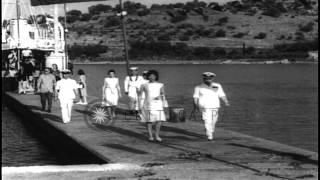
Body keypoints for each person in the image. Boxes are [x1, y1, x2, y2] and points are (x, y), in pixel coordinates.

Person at [193, 72, 230, 141]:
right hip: (204, 106)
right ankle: (209, 135)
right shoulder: (198, 87)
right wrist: (195, 105)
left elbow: (221, 94)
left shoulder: (217, 85)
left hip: (215, 106)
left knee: (214, 120)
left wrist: (226, 101)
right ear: (203, 79)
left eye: (209, 78)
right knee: (207, 120)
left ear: (212, 79)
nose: (208, 80)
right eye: (206, 78)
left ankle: (211, 130)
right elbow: (195, 97)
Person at [140, 70, 168, 142]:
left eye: (153, 76)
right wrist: (140, 105)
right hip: (148, 104)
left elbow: (163, 94)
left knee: (159, 120)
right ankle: (150, 136)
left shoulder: (160, 85)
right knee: (149, 121)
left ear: (156, 76)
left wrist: (164, 104)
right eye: (150, 76)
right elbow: (140, 96)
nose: (151, 77)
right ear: (147, 77)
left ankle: (157, 135)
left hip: (158, 104)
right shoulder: (144, 85)